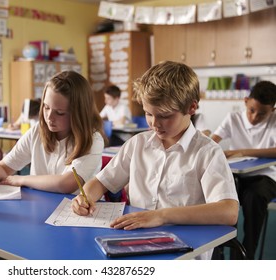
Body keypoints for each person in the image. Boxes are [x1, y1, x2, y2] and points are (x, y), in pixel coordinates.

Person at [72, 61, 239, 260]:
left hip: (185, 252)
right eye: (148, 113)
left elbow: (228, 211)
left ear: (192, 107)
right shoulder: (138, 144)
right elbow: (100, 182)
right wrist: (86, 197)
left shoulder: (207, 152)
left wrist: (161, 216)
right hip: (134, 244)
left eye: (165, 116)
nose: (154, 123)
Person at [0, 70, 105, 194]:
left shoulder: (93, 140)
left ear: (79, 113)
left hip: (74, 212)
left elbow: (67, 183)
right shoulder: (37, 130)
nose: (49, 117)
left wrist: (21, 179)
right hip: (38, 205)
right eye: (46, 107)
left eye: (60, 113)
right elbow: (4, 167)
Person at [211, 80, 276, 259]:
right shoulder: (233, 118)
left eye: (262, 113)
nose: (255, 117)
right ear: (246, 101)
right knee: (219, 199)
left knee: (253, 198)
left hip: (266, 177)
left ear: (273, 110)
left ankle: (244, 258)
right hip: (236, 176)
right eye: (252, 110)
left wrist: (242, 151)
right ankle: (219, 251)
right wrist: (206, 142)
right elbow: (212, 141)